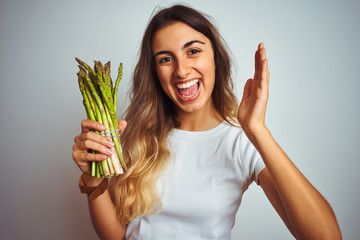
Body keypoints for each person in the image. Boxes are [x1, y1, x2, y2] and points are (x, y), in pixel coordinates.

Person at [72, 4, 341, 240]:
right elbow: (118, 235)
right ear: (154, 72)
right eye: (166, 59)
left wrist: (257, 130)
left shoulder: (242, 141)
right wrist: (92, 181)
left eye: (193, 51)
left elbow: (325, 237)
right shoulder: (134, 134)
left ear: (215, 57)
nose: (181, 70)